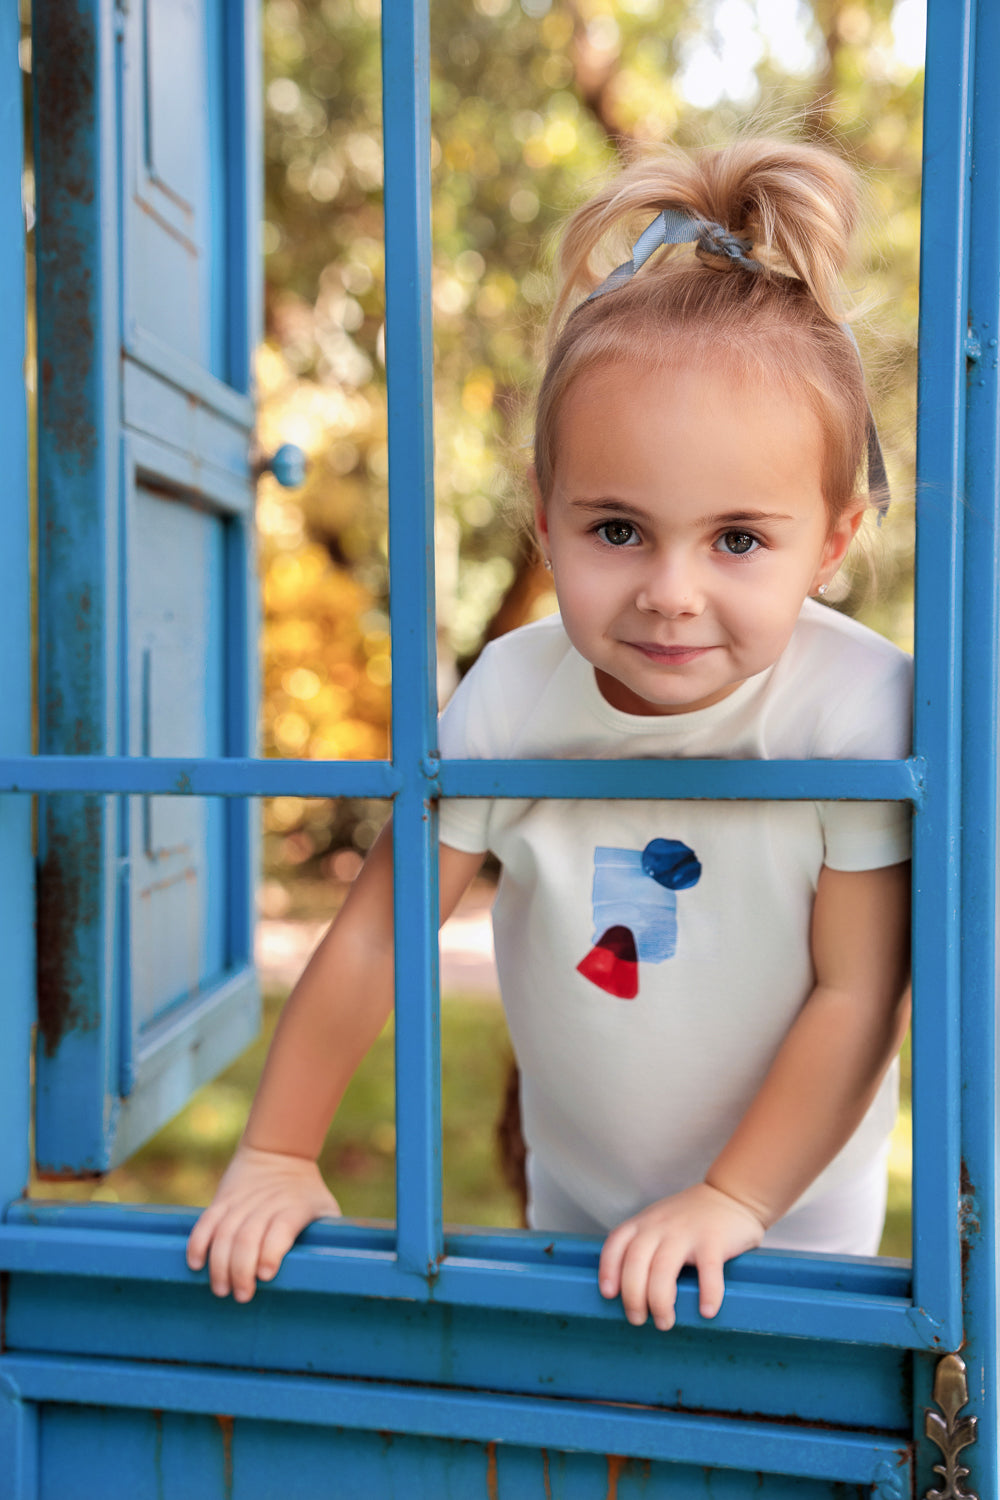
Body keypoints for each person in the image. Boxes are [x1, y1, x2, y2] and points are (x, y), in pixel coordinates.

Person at [187, 138, 912, 1332]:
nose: (670, 593)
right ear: (543, 517)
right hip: (569, 1224)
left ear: (830, 542)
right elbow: (378, 935)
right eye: (617, 530)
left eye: (737, 539)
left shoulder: (855, 706)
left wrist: (732, 1199)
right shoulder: (513, 692)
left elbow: (858, 990)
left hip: (786, 1236)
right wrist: (276, 1149)